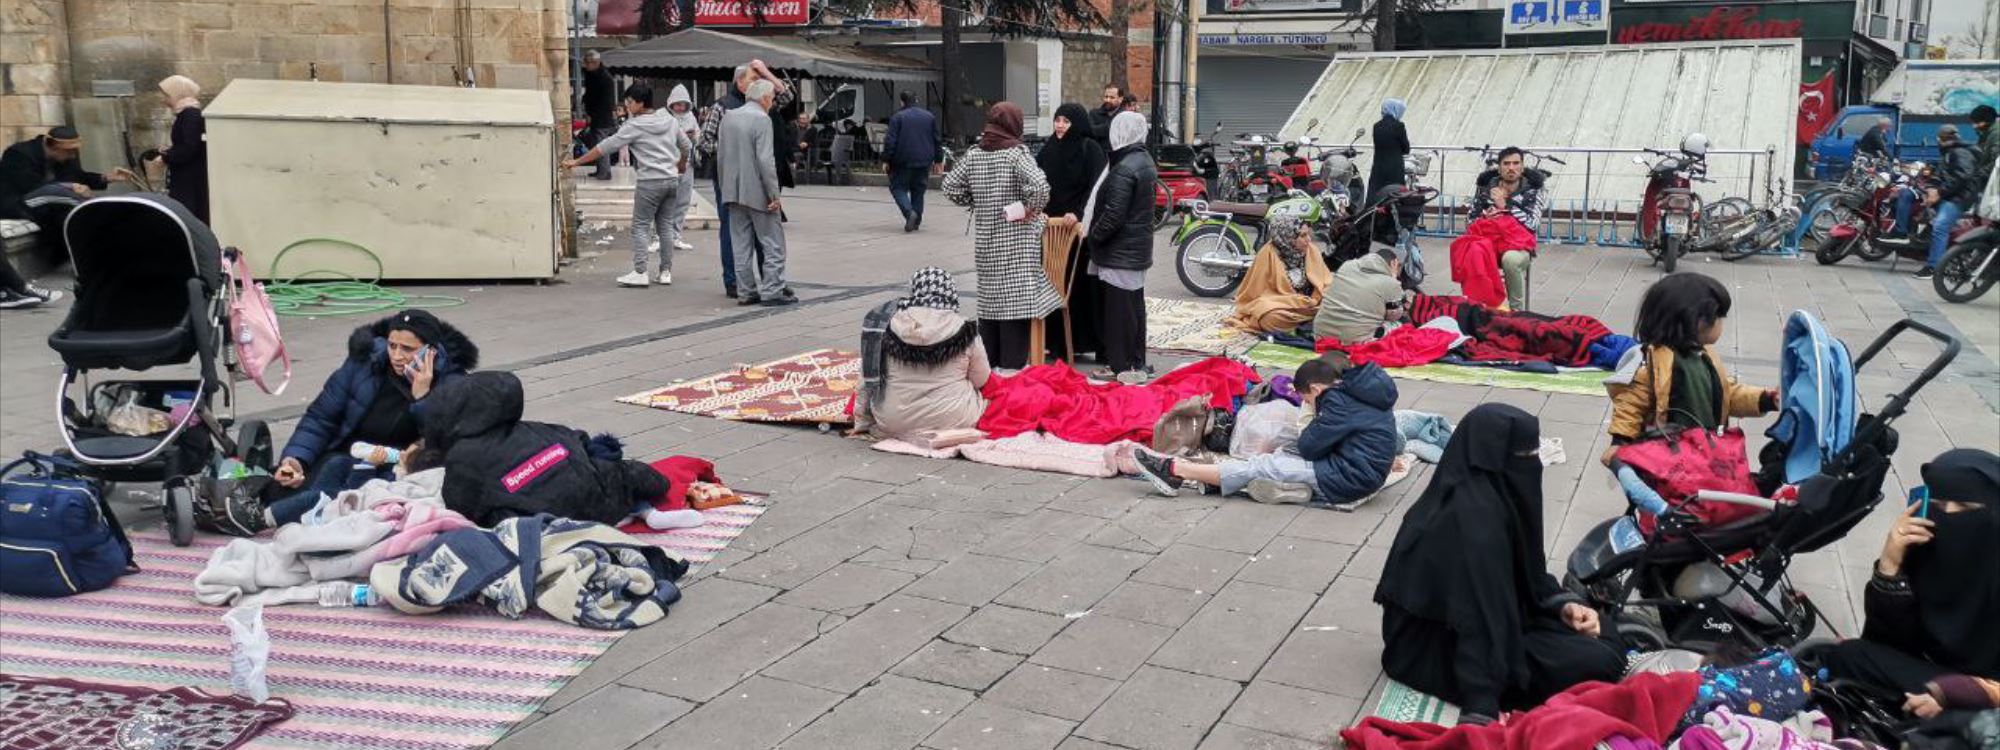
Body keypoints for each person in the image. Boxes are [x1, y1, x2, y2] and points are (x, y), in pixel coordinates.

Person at [1375, 403, 1625, 724]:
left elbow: (1523, 574)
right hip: (1427, 649)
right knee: (1599, 658)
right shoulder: (1471, 524)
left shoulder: (1486, 497)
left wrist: (1563, 606)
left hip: (1484, 625)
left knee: (1603, 631)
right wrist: (1481, 703)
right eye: (1524, 457)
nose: (1531, 465)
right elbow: (1475, 619)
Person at [226, 311, 480, 535]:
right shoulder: (364, 363)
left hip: (398, 472)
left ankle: (278, 518)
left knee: (353, 506)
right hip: (344, 456)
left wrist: (423, 397)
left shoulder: (452, 384)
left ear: (431, 351)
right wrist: (295, 460)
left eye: (408, 349)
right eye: (392, 346)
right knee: (289, 487)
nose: (397, 356)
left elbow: (442, 444)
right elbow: (321, 418)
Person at [1810, 449, 1998, 721]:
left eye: (1965, 508)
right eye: (1938, 505)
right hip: (1931, 678)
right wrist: (1890, 565)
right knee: (1845, 656)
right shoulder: (1928, 548)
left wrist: (1959, 695)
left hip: (1988, 697)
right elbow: (1885, 642)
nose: (1947, 516)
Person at [1133, 356, 1400, 509]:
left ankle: (1174, 471)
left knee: (1267, 466)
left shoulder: (1338, 404)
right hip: (1353, 464)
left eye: (1306, 399)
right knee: (1282, 452)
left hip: (1349, 478)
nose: (1306, 404)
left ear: (1317, 389)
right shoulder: (1355, 391)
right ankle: (1225, 480)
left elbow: (1309, 446)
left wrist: (1311, 413)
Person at [420, 370, 673, 527]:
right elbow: (579, 439)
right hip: (600, 500)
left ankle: (631, 514)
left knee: (500, 521)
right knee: (627, 472)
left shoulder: (462, 456)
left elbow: (460, 505)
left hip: (548, 522)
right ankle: (642, 508)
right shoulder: (533, 428)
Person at [1602, 273, 1777, 464]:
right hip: (1667, 456)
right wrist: (1620, 441)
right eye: (1719, 317)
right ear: (1697, 320)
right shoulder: (1653, 363)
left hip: (1705, 452)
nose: (1721, 324)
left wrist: (1765, 399)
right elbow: (1630, 404)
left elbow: (1727, 393)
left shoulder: (1704, 356)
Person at [942, 102, 1058, 370]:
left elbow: (949, 186)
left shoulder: (974, 154)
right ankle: (1010, 374)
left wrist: (974, 200)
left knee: (991, 305)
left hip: (986, 243)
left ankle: (990, 371)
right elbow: (1041, 186)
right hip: (1016, 242)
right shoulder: (1016, 155)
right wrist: (1028, 209)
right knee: (1015, 307)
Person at [564, 83, 691, 288]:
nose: (627, 105)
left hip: (649, 181)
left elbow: (605, 146)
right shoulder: (669, 120)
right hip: (671, 180)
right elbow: (686, 145)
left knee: (640, 226)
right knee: (666, 227)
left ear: (640, 103)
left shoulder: (634, 126)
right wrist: (681, 164)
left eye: (630, 102)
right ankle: (665, 271)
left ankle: (640, 272)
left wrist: (577, 162)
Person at [850, 267, 991, 441]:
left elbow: (866, 380)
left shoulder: (887, 325)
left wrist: (862, 423)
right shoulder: (965, 329)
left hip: (894, 420)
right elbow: (982, 379)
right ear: (950, 292)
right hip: (955, 419)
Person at [698, 61, 793, 298]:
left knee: (743, 239)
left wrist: (765, 71)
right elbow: (706, 143)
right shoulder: (726, 108)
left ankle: (748, 288)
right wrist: (738, 152)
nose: (760, 83)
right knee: (764, 238)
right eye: (754, 78)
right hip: (752, 183)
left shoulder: (758, 107)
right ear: (738, 82)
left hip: (733, 183)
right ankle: (759, 286)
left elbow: (787, 95)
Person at [1084, 111, 1158, 380]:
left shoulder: (1125, 166)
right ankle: (1135, 362)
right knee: (1133, 309)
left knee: (1118, 314)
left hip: (1120, 251)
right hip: (1135, 249)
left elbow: (1113, 214)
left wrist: (1094, 236)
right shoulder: (1143, 159)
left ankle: (1121, 365)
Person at [1, 126, 134, 266]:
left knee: (73, 215)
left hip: (52, 202)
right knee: (73, 199)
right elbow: (31, 186)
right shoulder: (18, 154)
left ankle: (97, 258)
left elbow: (78, 176)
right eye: (69, 151)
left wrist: (106, 178)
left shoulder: (65, 157)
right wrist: (71, 188)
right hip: (20, 203)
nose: (73, 156)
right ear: (52, 146)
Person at [1038, 102, 1109, 362]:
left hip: (1078, 233)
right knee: (1052, 284)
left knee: (1078, 286)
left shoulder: (1090, 149)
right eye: (1057, 120)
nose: (1060, 125)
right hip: (1050, 231)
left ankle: (1083, 341)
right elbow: (1038, 184)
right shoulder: (1048, 149)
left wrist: (1078, 214)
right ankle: (1054, 342)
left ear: (1077, 124)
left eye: (1066, 121)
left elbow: (1095, 188)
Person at [719, 79, 792, 307]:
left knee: (740, 244)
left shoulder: (728, 116)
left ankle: (746, 291)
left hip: (732, 190)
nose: (771, 103)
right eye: (770, 98)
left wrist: (725, 188)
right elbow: (765, 160)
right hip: (757, 191)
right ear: (763, 98)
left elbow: (720, 156)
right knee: (773, 242)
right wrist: (774, 195)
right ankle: (772, 291)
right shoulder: (762, 119)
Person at [1466, 147, 1546, 311]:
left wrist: (1506, 205)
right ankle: (1479, 307)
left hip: (1519, 245)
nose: (1511, 168)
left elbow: (1533, 224)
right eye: (1506, 164)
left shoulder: (1534, 190)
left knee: (1510, 260)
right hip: (1489, 241)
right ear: (1499, 167)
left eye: (1516, 163)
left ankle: (1517, 312)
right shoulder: (1485, 188)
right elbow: (1470, 221)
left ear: (1522, 167)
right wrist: (1487, 215)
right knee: (1473, 252)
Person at [1229, 211, 1332, 335]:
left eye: (1308, 235)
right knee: (1269, 318)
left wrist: (1315, 300)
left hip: (1312, 306)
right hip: (1281, 307)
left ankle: (1308, 323)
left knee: (1335, 309)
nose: (1308, 240)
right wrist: (1295, 301)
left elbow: (1326, 283)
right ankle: (1310, 324)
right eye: (1303, 236)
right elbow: (1256, 297)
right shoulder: (1267, 255)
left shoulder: (1311, 251)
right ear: (1287, 237)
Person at [1916, 125, 1980, 281]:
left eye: (1939, 139)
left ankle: (1934, 266)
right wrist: (1930, 187)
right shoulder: (1948, 153)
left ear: (1941, 139)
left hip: (1958, 198)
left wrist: (1939, 192)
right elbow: (1939, 174)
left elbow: (1962, 176)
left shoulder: (1960, 152)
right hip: (1948, 195)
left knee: (1940, 226)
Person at [1313, 248, 1405, 346]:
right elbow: (1394, 316)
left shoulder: (1347, 265)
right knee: (1397, 325)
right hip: (1352, 341)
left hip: (1320, 334)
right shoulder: (1390, 283)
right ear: (1393, 263)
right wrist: (1393, 278)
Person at [150, 75, 209, 223]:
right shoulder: (186, 115)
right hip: (187, 176)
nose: (163, 99)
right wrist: (169, 151)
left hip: (190, 179)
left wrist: (166, 157)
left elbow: (190, 147)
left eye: (166, 95)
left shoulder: (190, 116)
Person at [883, 91, 940, 232]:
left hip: (903, 160)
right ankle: (916, 221)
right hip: (924, 160)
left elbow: (890, 141)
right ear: (916, 100)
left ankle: (909, 213)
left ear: (902, 102)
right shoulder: (929, 117)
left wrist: (886, 159)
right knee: (918, 190)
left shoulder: (898, 117)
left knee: (898, 187)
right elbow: (936, 140)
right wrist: (938, 159)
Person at [664, 84, 699, 252]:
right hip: (669, 165)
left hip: (687, 165)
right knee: (666, 202)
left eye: (683, 104)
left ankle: (676, 235)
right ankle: (661, 236)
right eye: (677, 104)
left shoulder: (691, 117)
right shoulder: (665, 118)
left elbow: (698, 138)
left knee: (683, 202)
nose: (680, 107)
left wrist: (693, 137)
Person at [579, 51, 617, 180]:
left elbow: (605, 101)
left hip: (602, 117)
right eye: (587, 63)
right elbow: (590, 96)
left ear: (596, 62)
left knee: (601, 145)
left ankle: (605, 172)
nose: (588, 65)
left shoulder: (604, 78)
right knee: (596, 144)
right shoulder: (592, 75)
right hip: (596, 116)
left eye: (590, 63)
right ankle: (600, 169)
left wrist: (594, 113)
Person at [1368, 98, 1411, 206]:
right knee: (1395, 194)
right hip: (1394, 167)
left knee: (1377, 193)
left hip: (1378, 166)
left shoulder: (1376, 126)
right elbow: (1406, 149)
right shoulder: (1399, 126)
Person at [1088, 85, 1123, 153]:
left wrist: (1099, 129)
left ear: (1120, 99)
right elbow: (1090, 131)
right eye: (1106, 97)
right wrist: (1112, 127)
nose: (1108, 100)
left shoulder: (1125, 115)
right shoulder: (1094, 114)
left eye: (1112, 97)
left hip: (1120, 157)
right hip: (1099, 155)